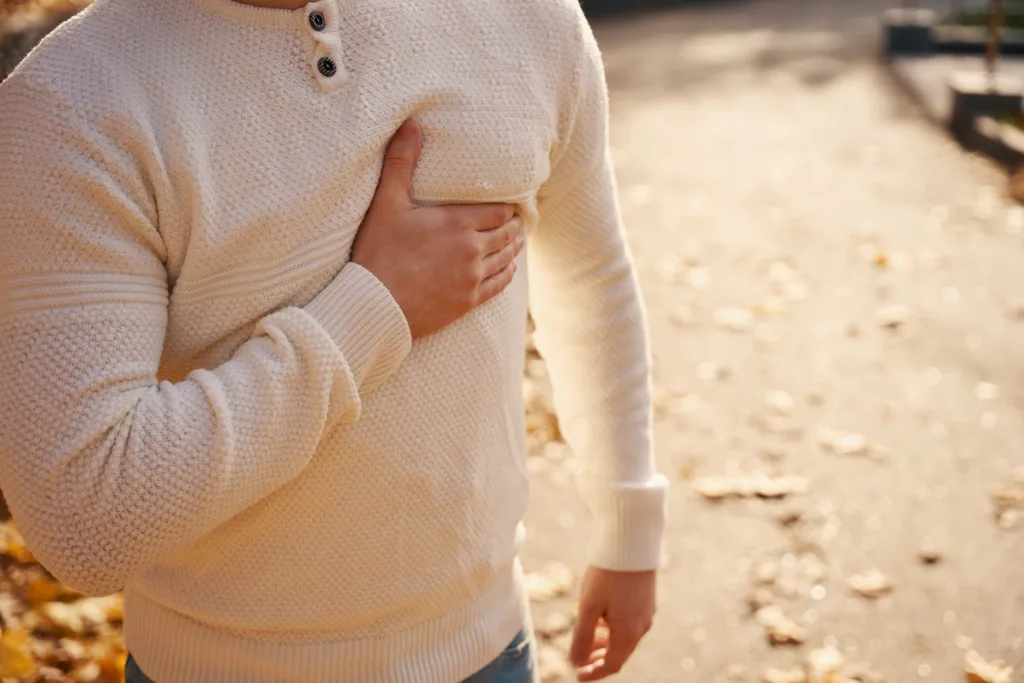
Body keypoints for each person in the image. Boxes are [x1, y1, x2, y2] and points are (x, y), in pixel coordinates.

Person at [0, 0, 669, 680]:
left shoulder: (527, 17)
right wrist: (373, 309)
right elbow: (84, 519)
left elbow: (590, 277)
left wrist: (629, 522)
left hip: (489, 647)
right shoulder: (69, 103)